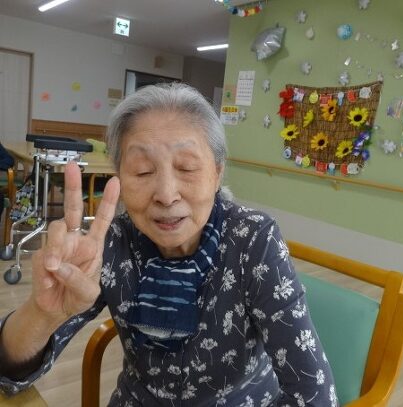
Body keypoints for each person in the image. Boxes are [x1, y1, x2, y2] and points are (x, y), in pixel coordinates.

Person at [0, 83, 339, 406]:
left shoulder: (253, 240)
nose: (165, 194)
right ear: (119, 177)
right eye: (142, 171)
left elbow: (315, 396)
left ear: (217, 173)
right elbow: (9, 369)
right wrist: (43, 313)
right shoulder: (112, 242)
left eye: (187, 168)